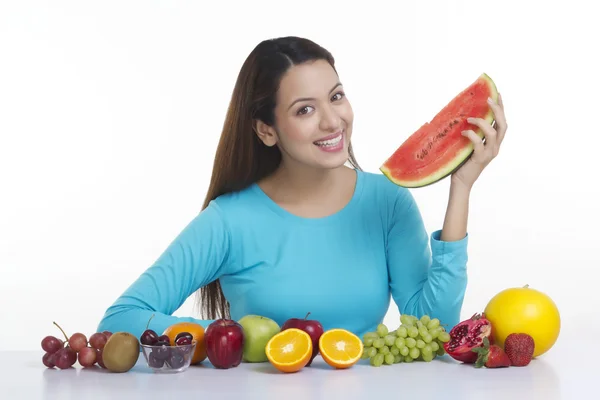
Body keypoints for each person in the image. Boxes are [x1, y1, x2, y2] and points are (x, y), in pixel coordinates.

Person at [97, 36, 507, 342]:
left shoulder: (388, 201)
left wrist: (461, 188)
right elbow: (122, 318)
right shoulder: (230, 220)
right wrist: (236, 336)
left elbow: (434, 327)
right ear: (266, 130)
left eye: (337, 96)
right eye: (305, 109)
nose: (332, 122)